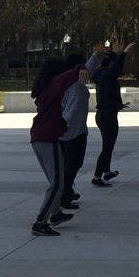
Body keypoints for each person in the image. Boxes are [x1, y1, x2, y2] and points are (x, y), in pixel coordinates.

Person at [30, 57, 89, 236]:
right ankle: (40, 222)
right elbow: (72, 74)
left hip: (39, 137)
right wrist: (81, 67)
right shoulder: (55, 84)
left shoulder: (44, 86)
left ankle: (55, 214)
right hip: (48, 138)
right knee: (57, 183)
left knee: (55, 180)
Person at [91, 42, 137, 186]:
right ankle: (97, 177)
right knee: (107, 147)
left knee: (108, 145)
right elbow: (116, 68)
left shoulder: (101, 76)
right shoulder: (107, 75)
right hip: (107, 116)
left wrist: (118, 104)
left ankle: (106, 172)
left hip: (106, 113)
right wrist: (124, 53)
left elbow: (107, 94)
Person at [58, 53, 96, 209]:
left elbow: (90, 69)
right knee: (72, 164)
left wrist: (96, 56)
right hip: (72, 133)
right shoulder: (77, 88)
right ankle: (64, 195)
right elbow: (70, 111)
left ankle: (67, 191)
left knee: (70, 164)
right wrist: (64, 125)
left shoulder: (68, 82)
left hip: (76, 130)